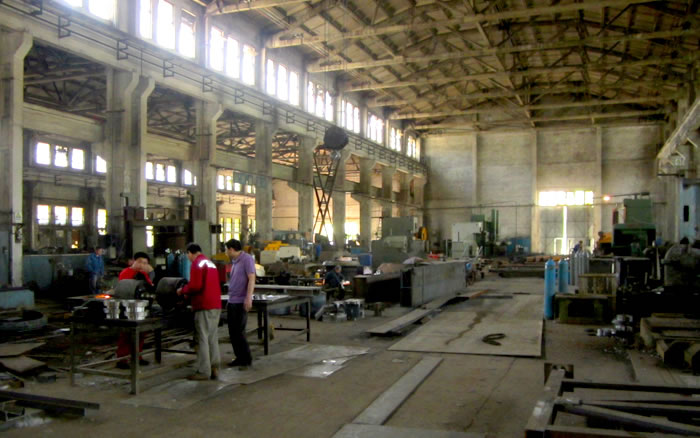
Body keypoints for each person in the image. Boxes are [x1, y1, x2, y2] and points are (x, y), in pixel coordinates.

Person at [177, 243, 222, 380]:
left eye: (187, 255)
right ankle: (214, 367)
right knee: (212, 337)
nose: (188, 258)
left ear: (190, 253)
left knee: (202, 338)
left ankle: (203, 371)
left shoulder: (197, 263)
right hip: (215, 304)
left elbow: (195, 286)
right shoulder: (210, 263)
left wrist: (183, 290)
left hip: (204, 305)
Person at [115, 252, 154, 369]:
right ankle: (122, 359)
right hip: (127, 308)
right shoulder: (125, 273)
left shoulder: (143, 274)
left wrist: (151, 274)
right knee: (126, 334)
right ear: (134, 261)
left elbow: (150, 287)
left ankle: (137, 356)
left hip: (141, 308)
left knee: (141, 333)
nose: (142, 265)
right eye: (140, 262)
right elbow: (125, 289)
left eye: (145, 263)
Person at [225, 239, 255, 368]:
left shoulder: (246, 259)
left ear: (231, 249)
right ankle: (239, 357)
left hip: (240, 301)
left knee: (239, 331)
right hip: (232, 300)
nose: (226, 252)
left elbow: (251, 278)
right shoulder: (235, 261)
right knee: (233, 332)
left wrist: (248, 298)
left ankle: (246, 358)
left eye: (226, 250)